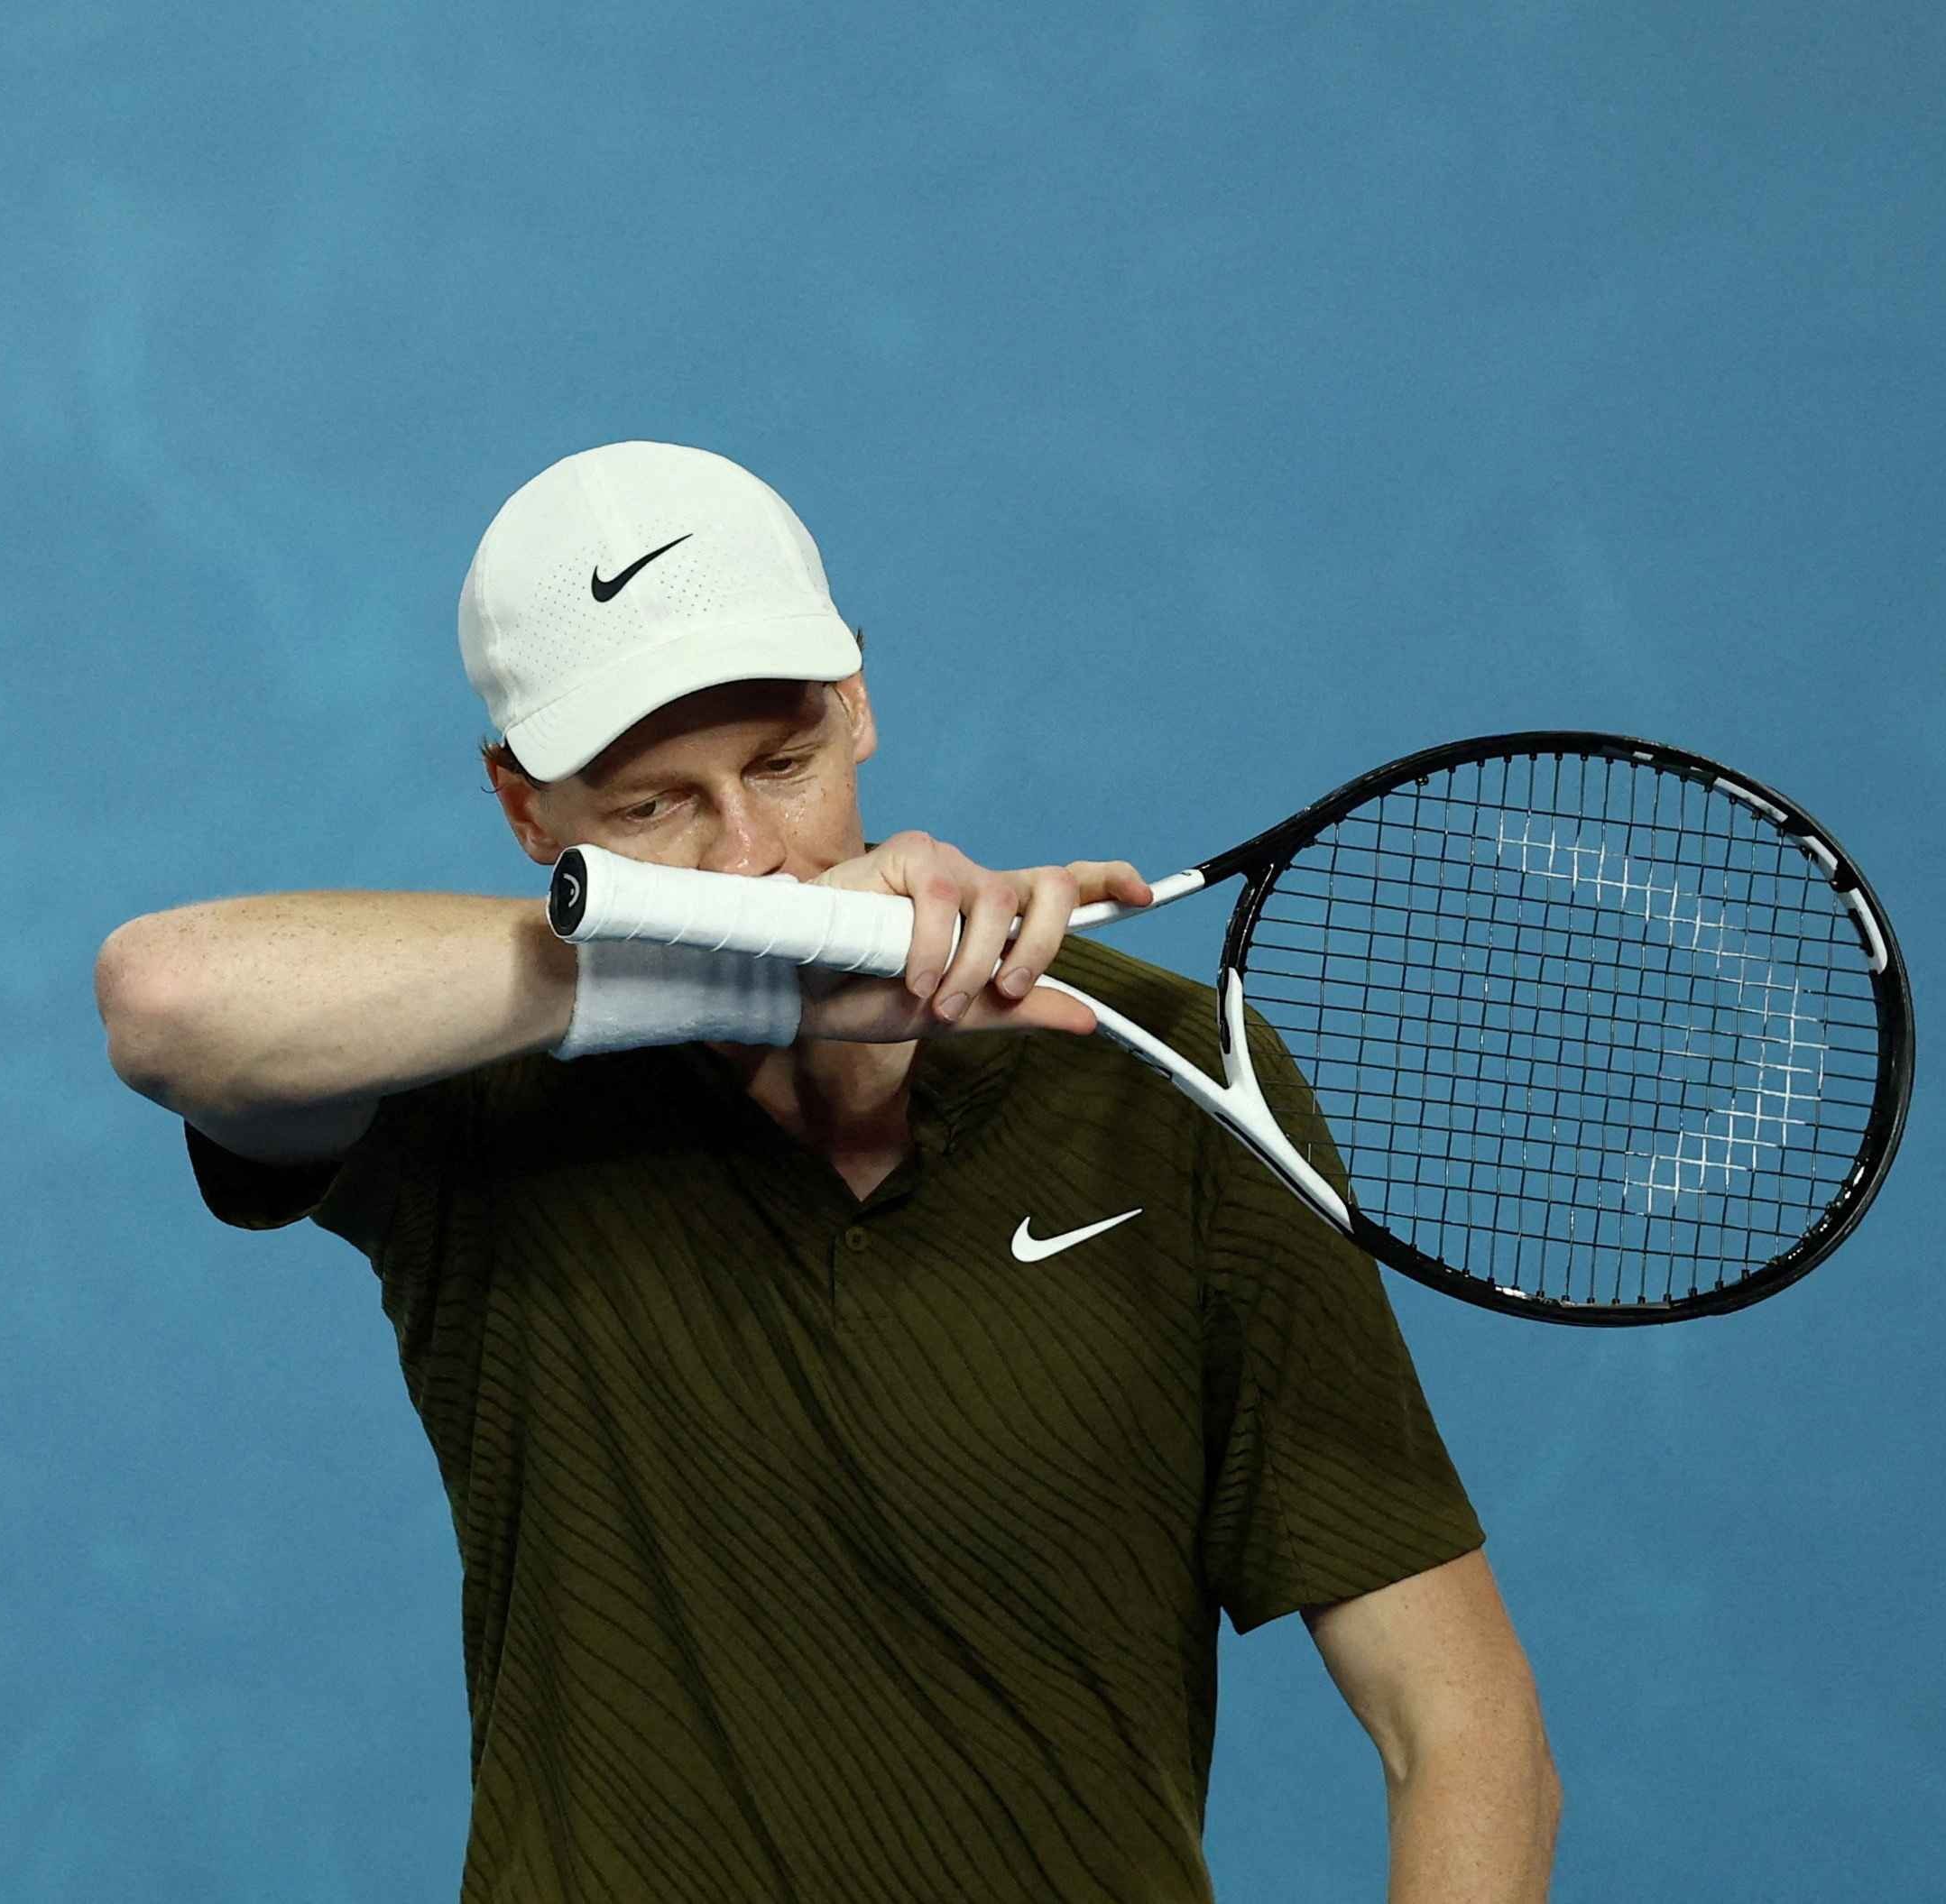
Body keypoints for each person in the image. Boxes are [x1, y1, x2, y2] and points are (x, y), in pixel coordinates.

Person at [94, 441, 1562, 1901]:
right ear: (526, 812)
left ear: (858, 703)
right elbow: (165, 997)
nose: (752, 858)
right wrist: (755, 983)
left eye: (783, 766)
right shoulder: (466, 1083)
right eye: (655, 807)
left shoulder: (1160, 1077)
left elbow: (1463, 1727)